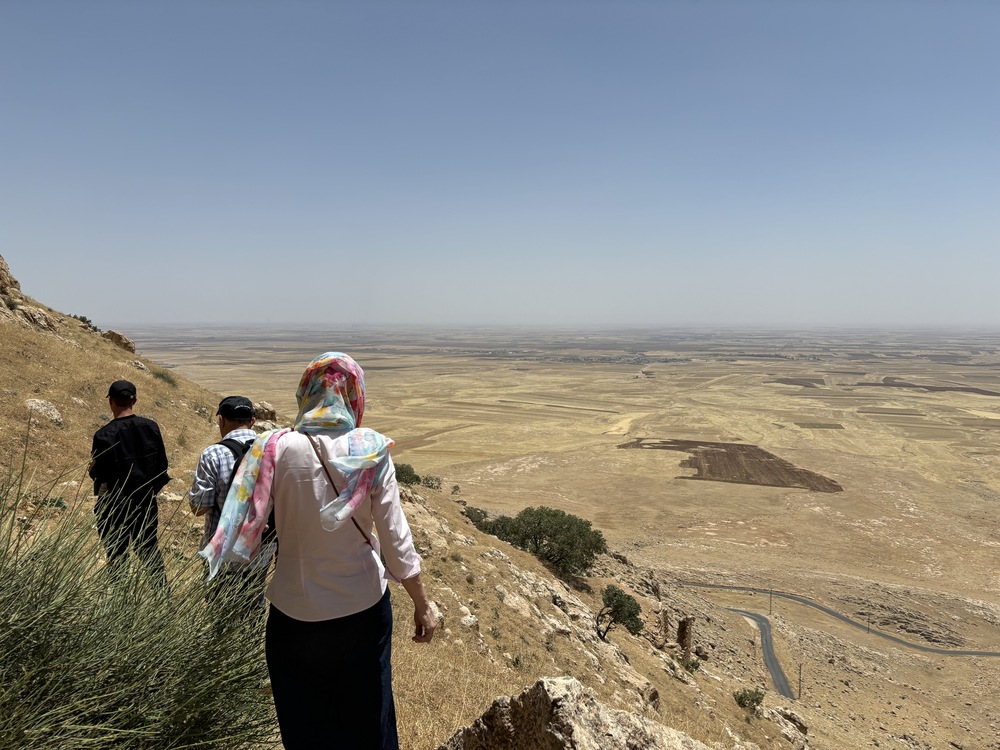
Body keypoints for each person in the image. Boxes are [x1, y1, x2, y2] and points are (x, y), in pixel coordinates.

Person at [201, 353, 435, 750]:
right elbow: (396, 539)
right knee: (370, 724)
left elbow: (251, 526)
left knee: (305, 729)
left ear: (306, 392)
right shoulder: (371, 449)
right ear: (354, 394)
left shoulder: (273, 448)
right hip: (361, 611)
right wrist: (422, 603)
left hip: (292, 612)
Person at [188, 395, 275, 625]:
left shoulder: (213, 454)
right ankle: (249, 643)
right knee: (253, 606)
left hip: (222, 550)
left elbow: (199, 507)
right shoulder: (272, 452)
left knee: (219, 611)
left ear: (221, 420)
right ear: (253, 421)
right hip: (260, 548)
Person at [89, 379, 170, 588]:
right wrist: (149, 490)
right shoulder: (150, 427)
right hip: (145, 502)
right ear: (134, 401)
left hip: (113, 505)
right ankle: (162, 598)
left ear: (111, 402)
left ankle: (119, 601)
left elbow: (99, 474)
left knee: (117, 557)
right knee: (149, 551)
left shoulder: (103, 435)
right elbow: (162, 467)